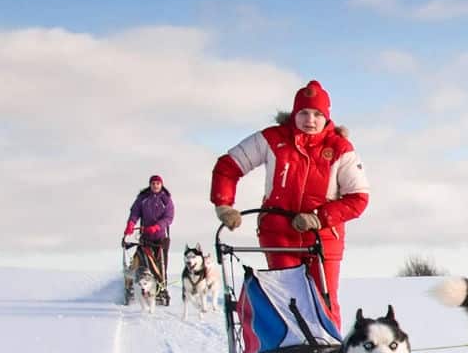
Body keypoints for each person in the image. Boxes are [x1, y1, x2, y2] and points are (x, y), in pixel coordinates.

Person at [209, 80, 369, 326]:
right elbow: (227, 167)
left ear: (326, 117)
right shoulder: (272, 139)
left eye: (317, 114)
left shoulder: (340, 148)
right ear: (294, 114)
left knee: (324, 301)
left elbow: (358, 198)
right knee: (288, 300)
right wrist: (224, 205)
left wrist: (319, 217)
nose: (310, 120)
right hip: (278, 233)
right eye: (304, 113)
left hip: (324, 236)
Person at [123, 173, 174, 304]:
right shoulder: (143, 198)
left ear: (161, 185)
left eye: (158, 183)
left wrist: (157, 226)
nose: (155, 186)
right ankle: (135, 286)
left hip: (161, 238)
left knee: (161, 265)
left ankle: (161, 288)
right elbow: (135, 212)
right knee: (142, 262)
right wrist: (131, 224)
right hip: (145, 236)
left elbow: (169, 217)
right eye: (153, 183)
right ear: (150, 185)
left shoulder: (166, 199)